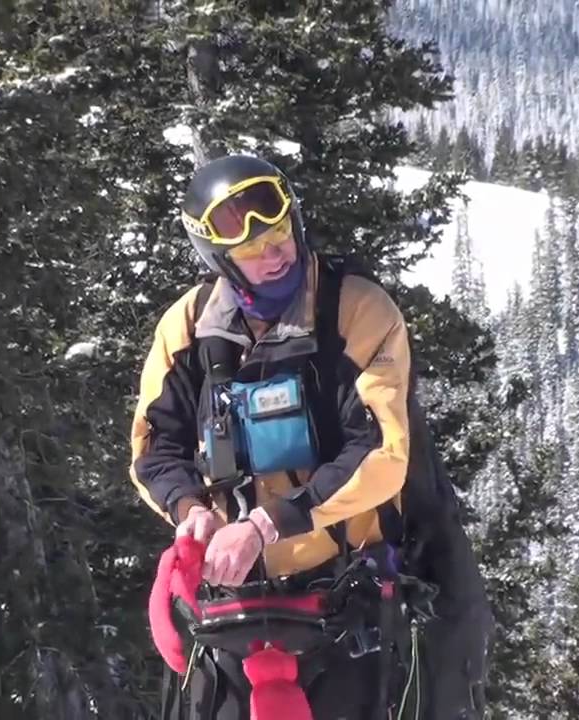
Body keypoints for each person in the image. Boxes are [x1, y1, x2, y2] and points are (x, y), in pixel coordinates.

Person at [129, 153, 492, 720]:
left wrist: (267, 522)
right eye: (250, 246)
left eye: (277, 232)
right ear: (218, 256)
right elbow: (156, 444)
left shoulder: (357, 311)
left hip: (349, 608)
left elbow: (380, 451)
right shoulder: (189, 326)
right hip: (234, 619)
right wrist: (189, 508)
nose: (273, 251)